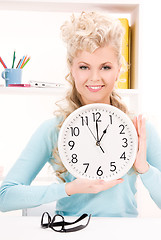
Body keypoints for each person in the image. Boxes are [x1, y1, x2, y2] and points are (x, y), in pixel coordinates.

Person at [0, 12, 161, 217]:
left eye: (106, 67)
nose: (95, 78)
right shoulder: (54, 129)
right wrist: (69, 189)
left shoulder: (139, 130)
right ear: (72, 69)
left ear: (119, 70)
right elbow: (5, 197)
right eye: (84, 67)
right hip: (69, 232)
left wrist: (144, 169)